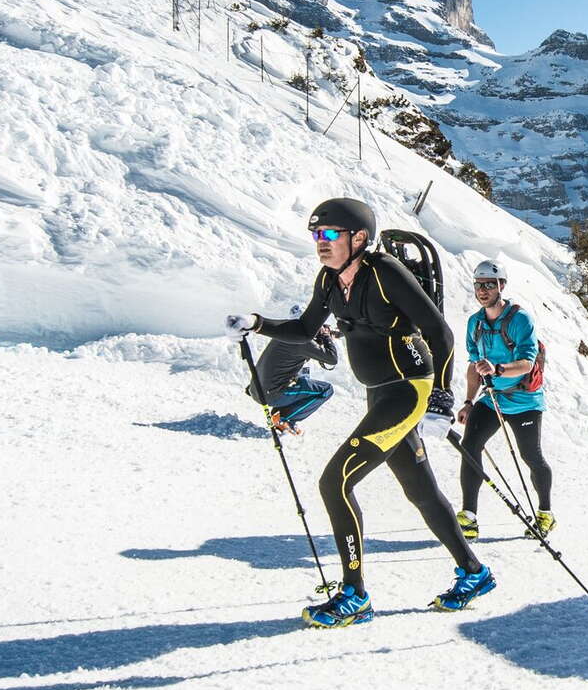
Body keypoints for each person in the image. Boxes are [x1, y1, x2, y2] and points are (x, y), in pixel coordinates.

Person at [230, 198, 491, 627]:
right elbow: (304, 329)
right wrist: (257, 323)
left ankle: (355, 595)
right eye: (317, 235)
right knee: (420, 490)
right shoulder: (331, 280)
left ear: (358, 238)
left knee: (335, 482)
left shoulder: (384, 273)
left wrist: (441, 397)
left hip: (407, 391)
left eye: (330, 234)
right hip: (379, 393)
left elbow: (438, 332)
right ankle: (474, 572)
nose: (321, 243)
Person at [455, 258, 556, 538]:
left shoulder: (520, 319)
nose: (482, 290)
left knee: (530, 455)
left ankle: (545, 513)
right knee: (470, 446)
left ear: (501, 286)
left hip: (524, 401)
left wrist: (498, 369)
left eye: (489, 284)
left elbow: (527, 361)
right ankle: (469, 517)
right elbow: (473, 366)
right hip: (493, 398)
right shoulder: (475, 323)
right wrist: (468, 402)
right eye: (478, 285)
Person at [245, 326, 337, 434]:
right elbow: (332, 359)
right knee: (326, 390)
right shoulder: (303, 342)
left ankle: (279, 413)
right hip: (270, 394)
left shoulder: (285, 334)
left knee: (302, 380)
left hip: (257, 389)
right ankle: (285, 419)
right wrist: (326, 337)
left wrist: (321, 338)